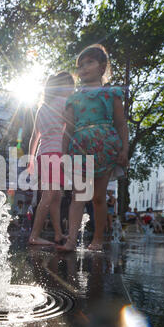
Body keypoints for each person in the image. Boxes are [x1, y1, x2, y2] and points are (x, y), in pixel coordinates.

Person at [57, 44, 129, 252]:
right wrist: (63, 154)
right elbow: (68, 128)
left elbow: (121, 123)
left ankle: (97, 240)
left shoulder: (111, 94)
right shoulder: (74, 99)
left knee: (98, 197)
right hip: (79, 149)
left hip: (105, 149)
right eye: (80, 65)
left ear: (102, 67)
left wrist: (124, 149)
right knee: (78, 195)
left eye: (90, 62)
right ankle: (71, 240)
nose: (84, 68)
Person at [28, 72, 75, 245]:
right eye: (70, 85)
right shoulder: (65, 103)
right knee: (49, 196)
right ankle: (34, 235)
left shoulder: (42, 108)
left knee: (56, 196)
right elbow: (71, 128)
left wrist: (31, 159)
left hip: (42, 154)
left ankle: (57, 234)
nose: (72, 88)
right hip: (56, 154)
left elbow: (35, 136)